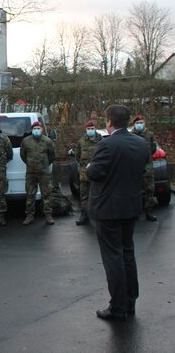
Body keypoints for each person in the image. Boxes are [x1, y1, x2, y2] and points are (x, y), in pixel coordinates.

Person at [86, 105, 148, 321]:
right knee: (127, 253)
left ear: (110, 121)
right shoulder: (141, 143)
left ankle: (118, 307)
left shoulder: (107, 144)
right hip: (131, 207)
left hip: (108, 210)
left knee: (113, 257)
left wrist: (88, 167)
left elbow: (94, 172)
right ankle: (130, 301)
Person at [20, 121, 56, 226]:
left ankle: (48, 215)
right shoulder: (26, 141)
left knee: (46, 194)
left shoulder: (48, 141)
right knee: (30, 194)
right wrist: (31, 163)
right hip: (31, 173)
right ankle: (29, 215)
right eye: (34, 128)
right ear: (32, 130)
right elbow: (23, 155)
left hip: (44, 172)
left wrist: (44, 164)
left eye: (38, 128)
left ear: (42, 129)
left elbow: (52, 155)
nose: (36, 130)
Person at [74, 120, 103, 226]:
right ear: (86, 130)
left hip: (98, 174)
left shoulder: (101, 141)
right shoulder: (81, 141)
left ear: (95, 129)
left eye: (92, 128)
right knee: (84, 196)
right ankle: (84, 215)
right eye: (88, 129)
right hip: (85, 174)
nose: (90, 130)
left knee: (99, 195)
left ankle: (99, 215)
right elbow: (77, 156)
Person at [132, 115, 158, 221]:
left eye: (141, 122)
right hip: (134, 169)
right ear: (134, 124)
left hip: (147, 168)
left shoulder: (149, 135)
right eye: (137, 123)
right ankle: (134, 213)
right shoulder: (131, 135)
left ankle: (149, 212)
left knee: (149, 191)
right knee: (133, 191)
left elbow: (153, 149)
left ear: (144, 123)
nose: (139, 124)